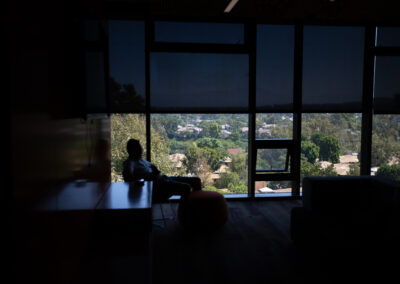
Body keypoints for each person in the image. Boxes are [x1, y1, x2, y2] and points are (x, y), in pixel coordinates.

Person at [122, 139, 201, 202]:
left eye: (140, 148)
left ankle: (199, 208)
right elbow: (128, 175)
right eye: (139, 148)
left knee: (196, 180)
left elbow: (156, 172)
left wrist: (155, 171)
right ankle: (186, 213)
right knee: (186, 187)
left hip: (164, 178)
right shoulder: (130, 162)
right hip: (159, 185)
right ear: (133, 150)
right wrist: (143, 180)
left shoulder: (142, 160)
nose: (141, 150)